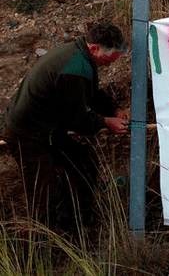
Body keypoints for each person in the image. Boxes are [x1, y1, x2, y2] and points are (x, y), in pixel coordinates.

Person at [3, 21, 130, 232]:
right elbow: (79, 122)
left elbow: (91, 93)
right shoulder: (75, 66)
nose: (107, 66)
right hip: (28, 136)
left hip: (48, 131)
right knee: (42, 196)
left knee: (84, 160)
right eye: (107, 61)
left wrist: (114, 110)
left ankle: (78, 222)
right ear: (95, 48)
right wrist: (106, 122)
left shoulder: (80, 55)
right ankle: (42, 247)